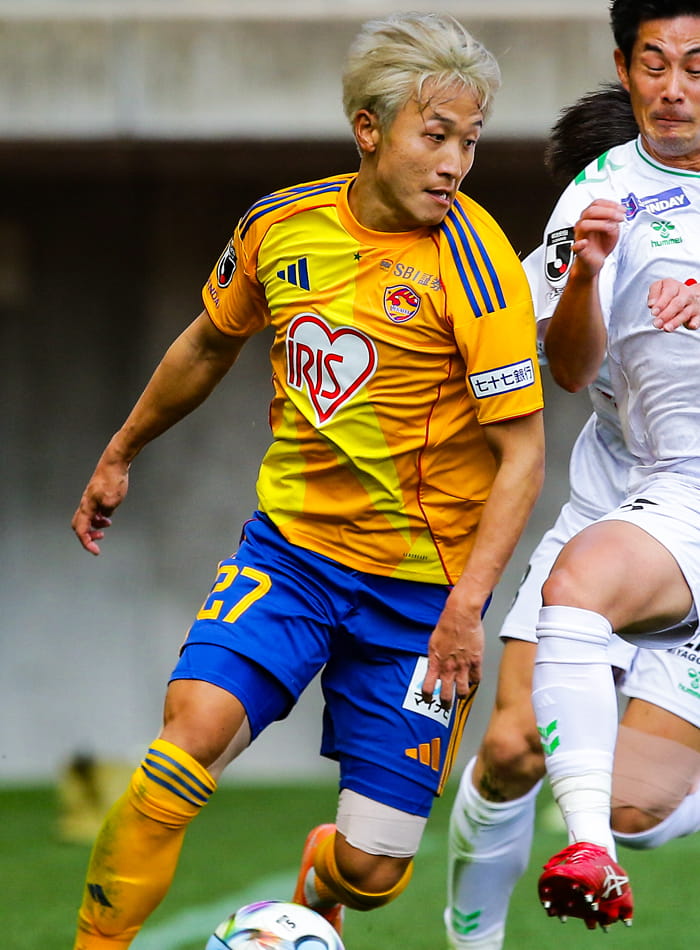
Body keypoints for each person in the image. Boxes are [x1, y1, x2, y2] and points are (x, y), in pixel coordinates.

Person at [69, 13, 545, 950]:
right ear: (369, 130)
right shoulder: (279, 227)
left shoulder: (479, 263)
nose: (455, 163)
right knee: (183, 745)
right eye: (435, 136)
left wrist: (466, 609)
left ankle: (323, 878)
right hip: (290, 557)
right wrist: (120, 451)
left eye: (471, 141)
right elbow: (209, 343)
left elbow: (523, 455)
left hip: (421, 596)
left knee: (374, 872)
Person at [445, 76, 700, 949]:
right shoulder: (574, 243)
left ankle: (609, 833)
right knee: (512, 748)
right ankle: (471, 941)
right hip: (609, 503)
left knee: (635, 809)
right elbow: (528, 357)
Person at [530, 0, 700, 931]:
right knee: (578, 580)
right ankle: (590, 849)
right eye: (654, 63)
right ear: (624, 66)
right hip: (677, 488)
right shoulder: (597, 191)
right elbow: (569, 370)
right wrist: (587, 279)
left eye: (697, 67)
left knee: (647, 800)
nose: (673, 90)